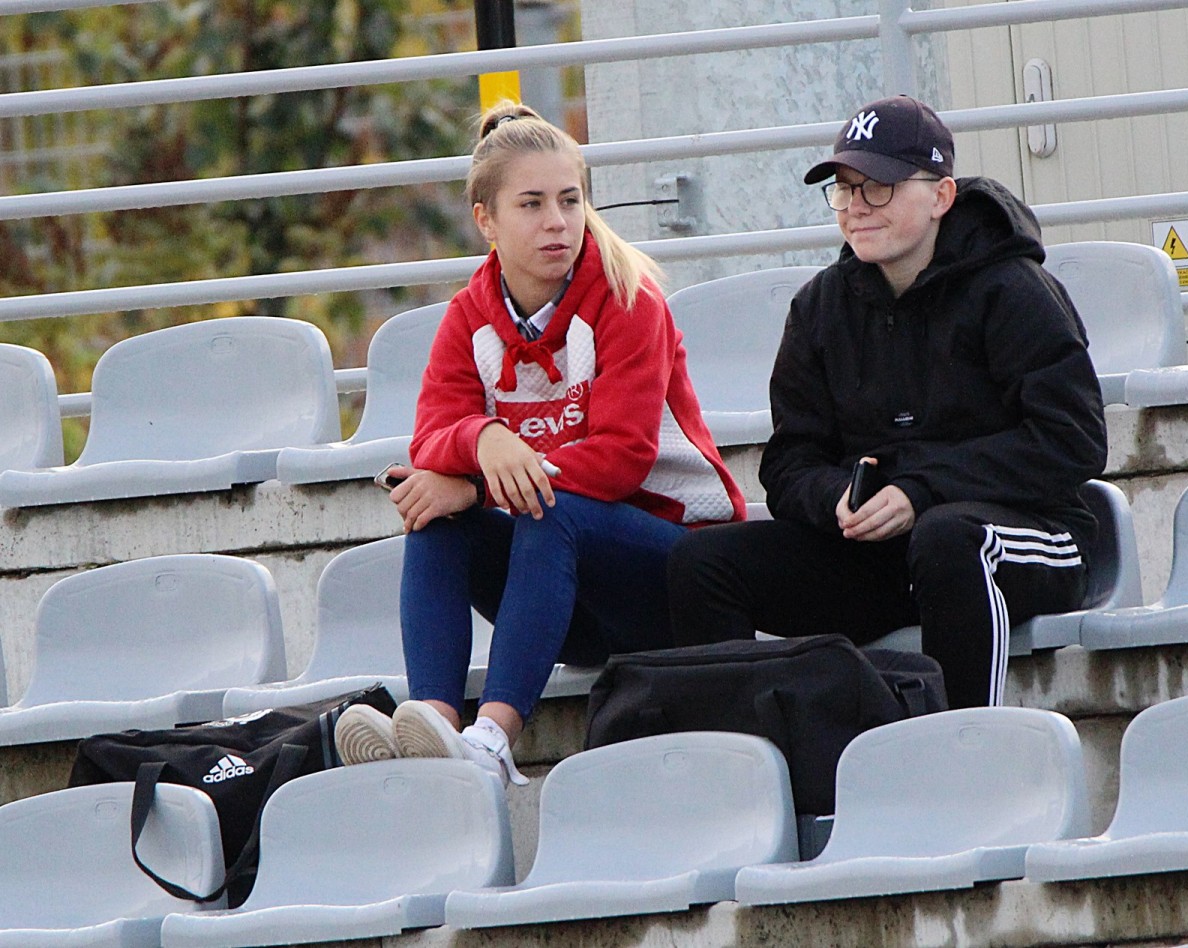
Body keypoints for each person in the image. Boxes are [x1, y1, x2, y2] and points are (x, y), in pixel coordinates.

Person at [334, 101, 745, 784]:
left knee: (549, 509)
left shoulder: (629, 299)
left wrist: (477, 483)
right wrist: (482, 438)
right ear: (486, 220)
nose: (557, 221)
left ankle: (493, 742)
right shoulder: (469, 317)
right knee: (435, 518)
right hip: (571, 602)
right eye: (531, 204)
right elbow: (432, 436)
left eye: (569, 200)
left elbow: (621, 460)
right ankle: (435, 725)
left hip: (677, 580)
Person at [667, 95, 1107, 710]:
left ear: (941, 196)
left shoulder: (1013, 290)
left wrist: (921, 490)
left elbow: (1072, 441)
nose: (856, 207)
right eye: (845, 189)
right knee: (702, 564)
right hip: (881, 556)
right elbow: (790, 463)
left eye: (879, 188)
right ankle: (752, 759)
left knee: (948, 540)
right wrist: (839, 498)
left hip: (1025, 537)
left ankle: (963, 750)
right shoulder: (821, 307)